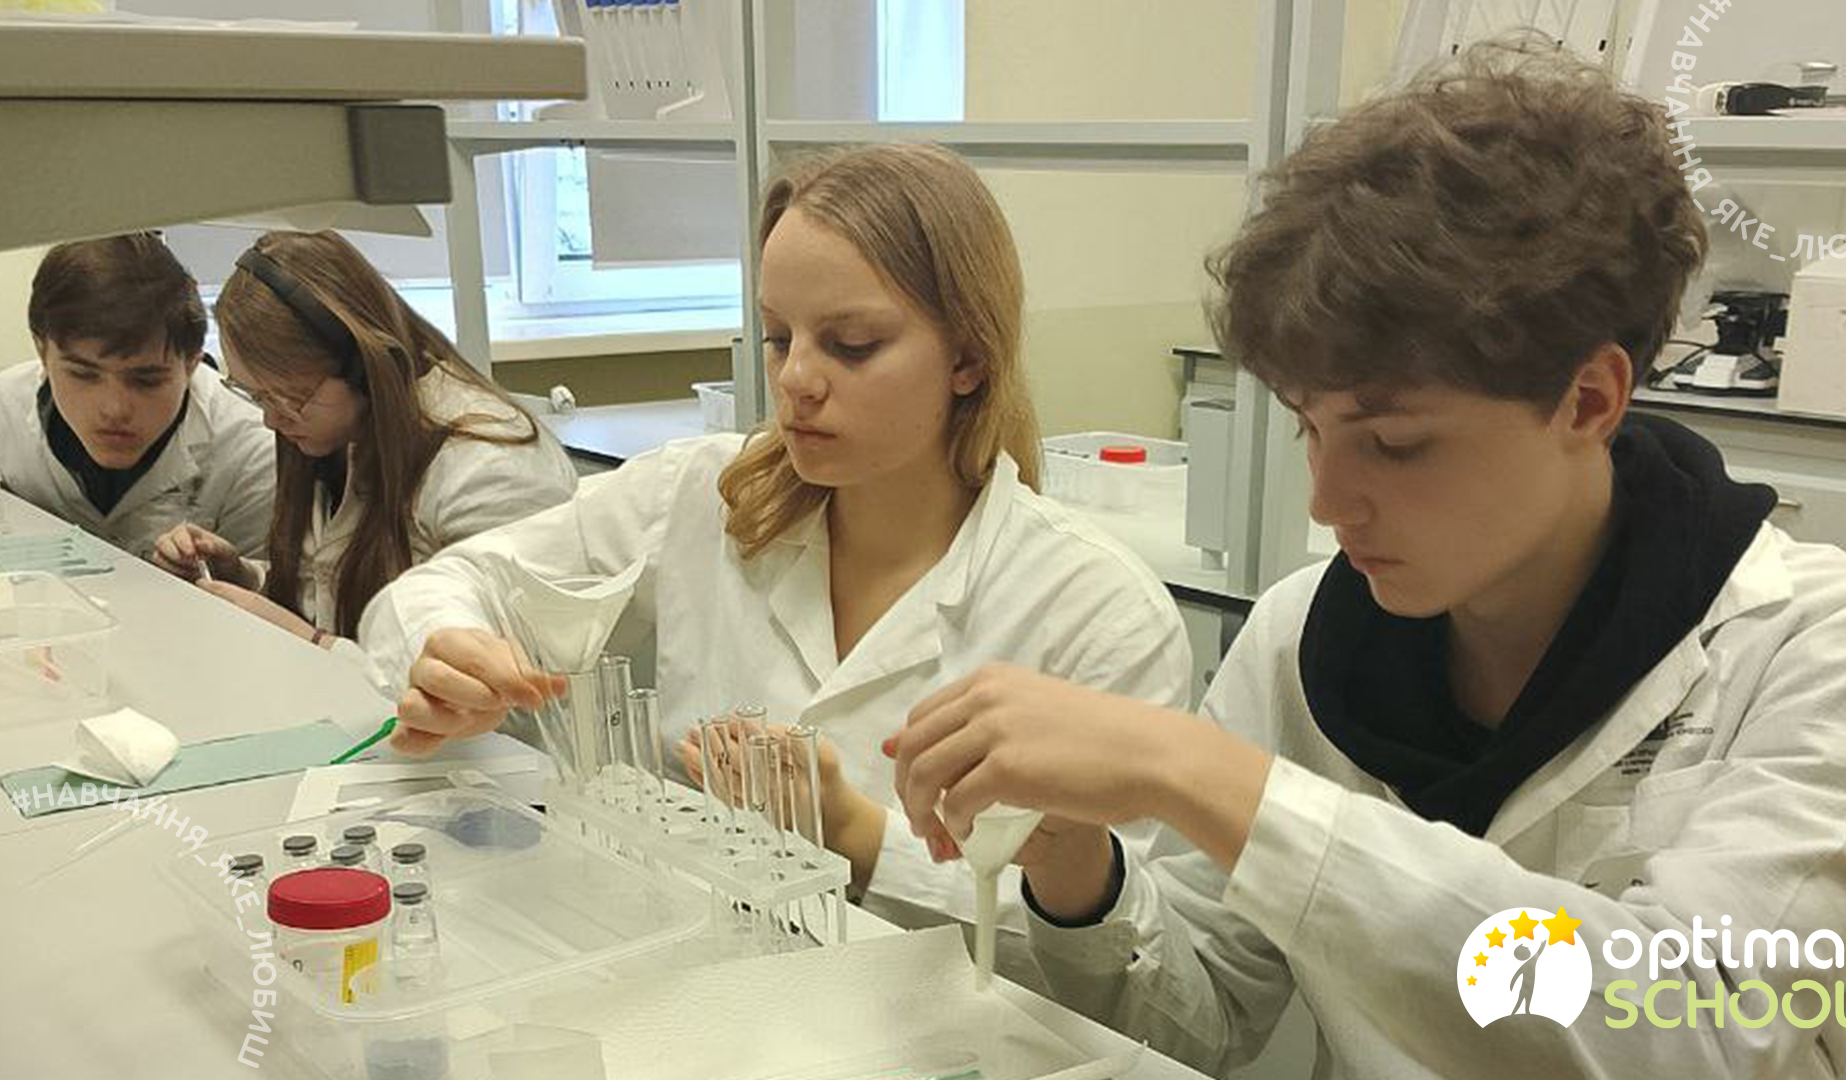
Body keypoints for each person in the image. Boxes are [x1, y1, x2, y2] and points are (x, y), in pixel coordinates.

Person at [887, 38, 1846, 1077]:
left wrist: (1204, 777)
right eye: (1311, 428)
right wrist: (1078, 873)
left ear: (1588, 399)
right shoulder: (1303, 638)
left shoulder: (1825, 643)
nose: (1327, 501)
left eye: (1394, 442)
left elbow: (1704, 1038)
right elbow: (1204, 1025)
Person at [355, 144, 1191, 980]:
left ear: (969, 358)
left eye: (851, 345)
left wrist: (857, 835)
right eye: (778, 336)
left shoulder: (1095, 612)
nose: (795, 380)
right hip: (695, 991)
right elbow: (444, 586)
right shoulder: (702, 493)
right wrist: (448, 649)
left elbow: (1127, 987)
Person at [152, 230, 577, 649]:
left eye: (288, 398)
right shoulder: (343, 433)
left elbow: (506, 673)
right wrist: (244, 578)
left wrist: (310, 642)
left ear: (361, 367)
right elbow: (335, 599)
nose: (270, 419)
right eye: (256, 395)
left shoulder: (490, 469)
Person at [0, 233, 274, 558]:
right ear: (42, 351)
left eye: (146, 381)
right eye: (83, 374)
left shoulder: (252, 453)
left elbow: (263, 583)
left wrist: (231, 573)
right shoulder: (6, 411)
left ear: (190, 364)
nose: (114, 409)